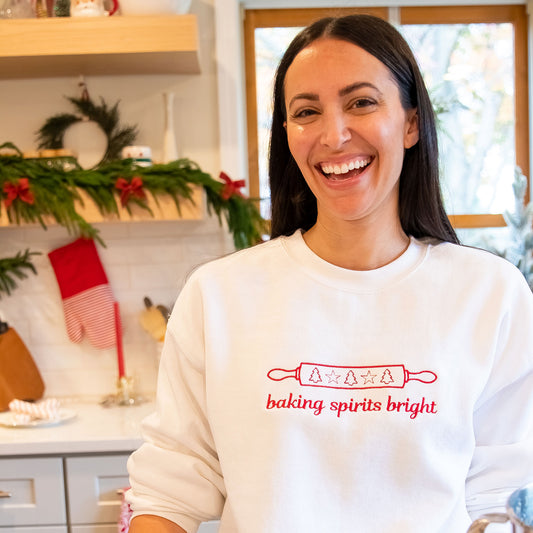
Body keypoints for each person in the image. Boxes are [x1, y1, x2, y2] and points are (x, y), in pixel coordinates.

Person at [127, 14, 533, 533]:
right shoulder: (218, 296)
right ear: (287, 134)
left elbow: (502, 497)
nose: (334, 135)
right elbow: (169, 490)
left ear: (410, 123)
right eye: (306, 112)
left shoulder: (489, 294)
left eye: (361, 102)